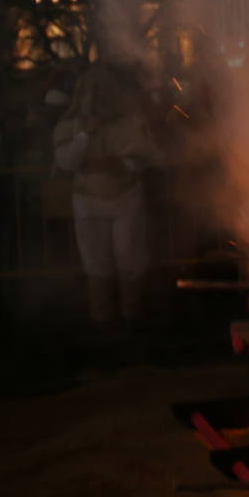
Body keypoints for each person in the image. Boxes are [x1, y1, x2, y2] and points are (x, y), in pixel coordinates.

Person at [53, 62, 158, 325]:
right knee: (95, 261)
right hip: (87, 200)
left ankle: (131, 313)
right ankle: (102, 317)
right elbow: (67, 161)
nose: (98, 97)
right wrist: (85, 134)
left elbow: (143, 156)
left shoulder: (129, 122)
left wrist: (118, 163)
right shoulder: (72, 124)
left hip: (125, 196)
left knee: (129, 257)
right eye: (93, 91)